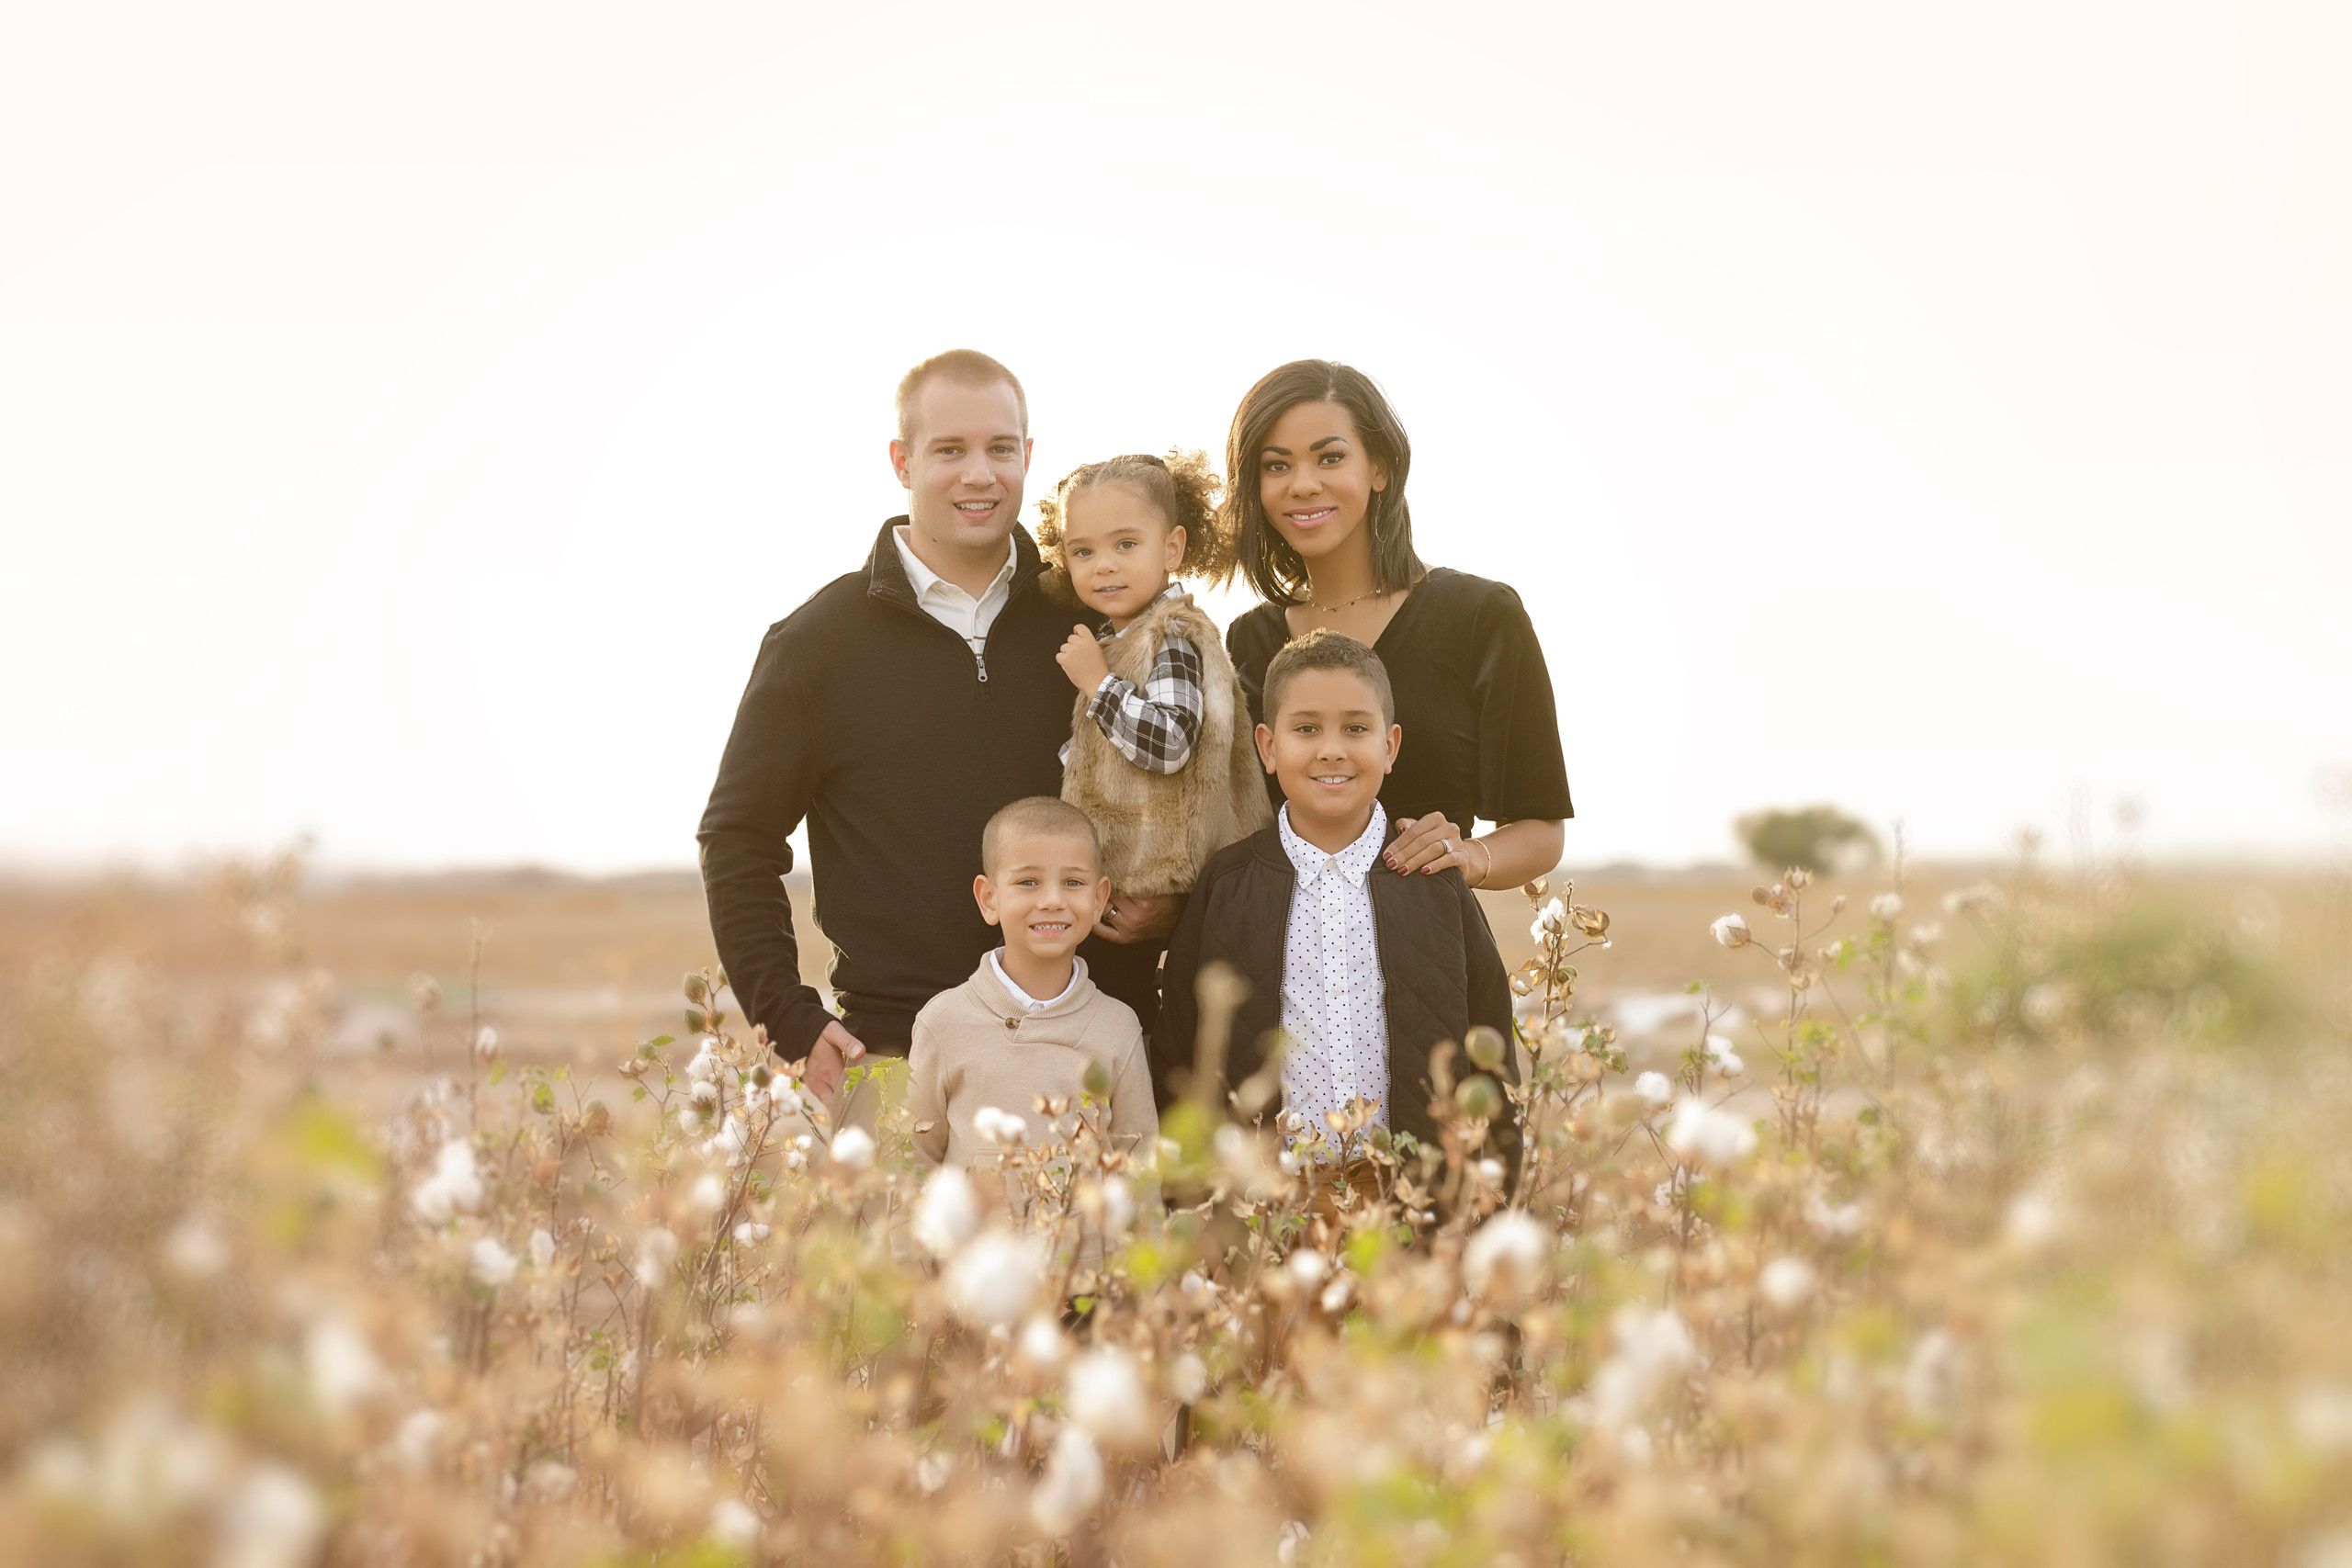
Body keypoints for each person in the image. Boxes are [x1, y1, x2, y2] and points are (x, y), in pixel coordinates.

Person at [699, 350, 1086, 1131]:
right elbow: (737, 838)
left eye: (1000, 449)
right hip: (896, 1064)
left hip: (1080, 1056)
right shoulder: (817, 644)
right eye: (950, 450)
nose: (979, 474)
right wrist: (792, 1020)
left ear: (1029, 457)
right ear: (902, 461)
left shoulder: (1087, 626)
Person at [1154, 631, 1520, 1204]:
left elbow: (1491, 1043)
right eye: (1306, 729)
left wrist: (1488, 1202)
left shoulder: (1434, 881)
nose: (1332, 749)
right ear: (1268, 748)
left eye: (1356, 728)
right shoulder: (1227, 885)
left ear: (1390, 746)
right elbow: (1180, 1048)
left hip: (1412, 1202)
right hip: (1267, 1209)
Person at [1220, 361, 1573, 899]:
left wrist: (1470, 855)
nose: (1304, 484)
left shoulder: (1480, 615)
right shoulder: (1249, 641)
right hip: (1277, 962)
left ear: (1379, 468)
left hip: (1429, 952)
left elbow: (1541, 828)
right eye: (1276, 466)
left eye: (1330, 457)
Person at [1035, 450, 1272, 1034]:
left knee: (1137, 1024)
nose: (1103, 567)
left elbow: (1168, 742)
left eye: (1126, 545)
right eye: (1083, 551)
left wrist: (1096, 683)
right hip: (1131, 886)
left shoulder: (1170, 636)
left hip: (1158, 882)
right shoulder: (1124, 638)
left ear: (1172, 548)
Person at [906, 797, 1158, 1178]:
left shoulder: (1119, 1028)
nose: (1053, 901)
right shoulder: (942, 1023)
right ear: (989, 899)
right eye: (1028, 882)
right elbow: (913, 1164)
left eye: (1073, 882)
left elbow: (1139, 1171)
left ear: (1098, 900)